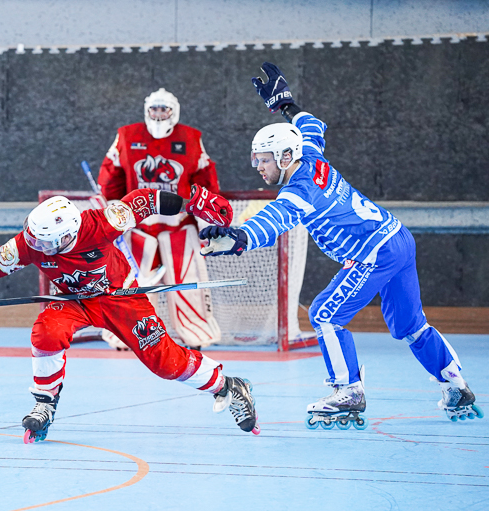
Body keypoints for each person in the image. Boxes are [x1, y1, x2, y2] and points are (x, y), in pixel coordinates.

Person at [198, 63, 481, 428]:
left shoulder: (301, 189)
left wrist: (240, 236)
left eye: (264, 159)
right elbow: (312, 126)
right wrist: (286, 104)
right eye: (257, 159)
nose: (258, 167)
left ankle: (348, 390)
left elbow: (275, 219)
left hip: (374, 252)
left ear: (285, 156)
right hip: (398, 239)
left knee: (324, 314)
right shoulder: (311, 155)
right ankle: (456, 384)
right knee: (411, 325)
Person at [0, 187, 260, 443]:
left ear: (67, 235)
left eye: (43, 243)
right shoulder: (31, 242)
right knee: (46, 331)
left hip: (121, 299)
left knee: (166, 364)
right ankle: (45, 403)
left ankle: (228, 387)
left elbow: (143, 201)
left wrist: (191, 203)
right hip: (74, 301)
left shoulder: (102, 223)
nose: (33, 246)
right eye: (32, 238)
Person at [95, 88, 223, 349]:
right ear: (146, 110)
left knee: (187, 282)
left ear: (174, 111)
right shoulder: (126, 135)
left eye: (163, 109)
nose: (159, 114)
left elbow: (205, 177)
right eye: (154, 109)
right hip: (138, 226)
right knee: (131, 283)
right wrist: (114, 212)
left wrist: (207, 216)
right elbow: (111, 175)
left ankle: (195, 333)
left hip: (179, 226)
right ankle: (127, 334)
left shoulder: (191, 137)